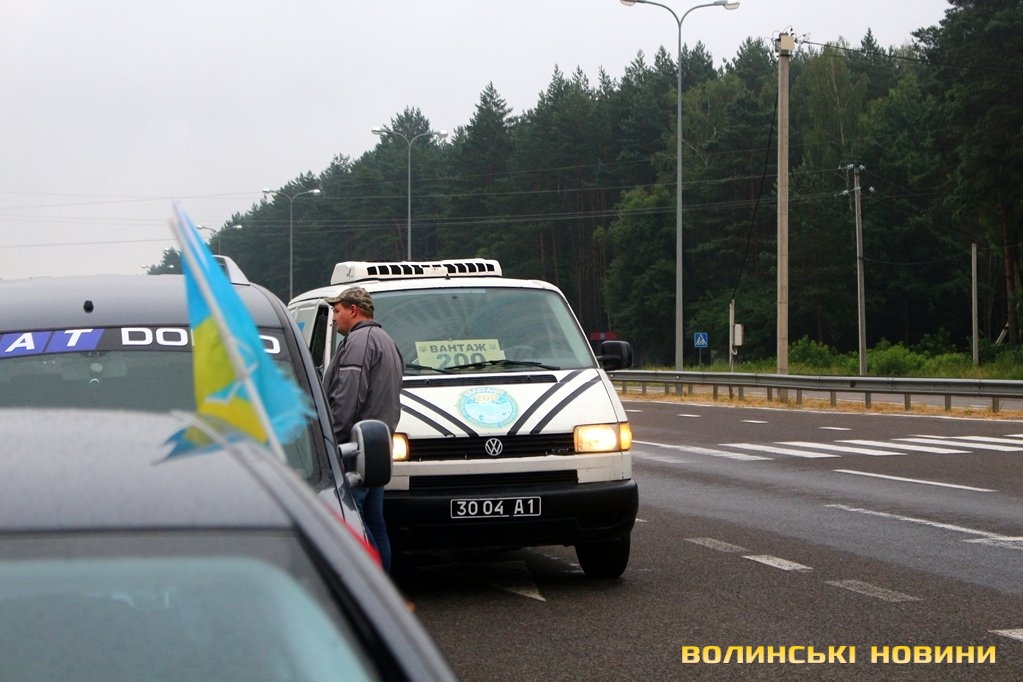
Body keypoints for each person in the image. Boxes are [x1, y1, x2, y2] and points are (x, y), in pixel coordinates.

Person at [322, 286, 403, 573]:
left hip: (354, 450)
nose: (334, 318)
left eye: (337, 311)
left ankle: (362, 588)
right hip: (378, 450)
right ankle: (383, 586)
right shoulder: (388, 341)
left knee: (351, 520)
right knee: (374, 522)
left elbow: (348, 398)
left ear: (353, 310)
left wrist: (330, 442)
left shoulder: (359, 341)